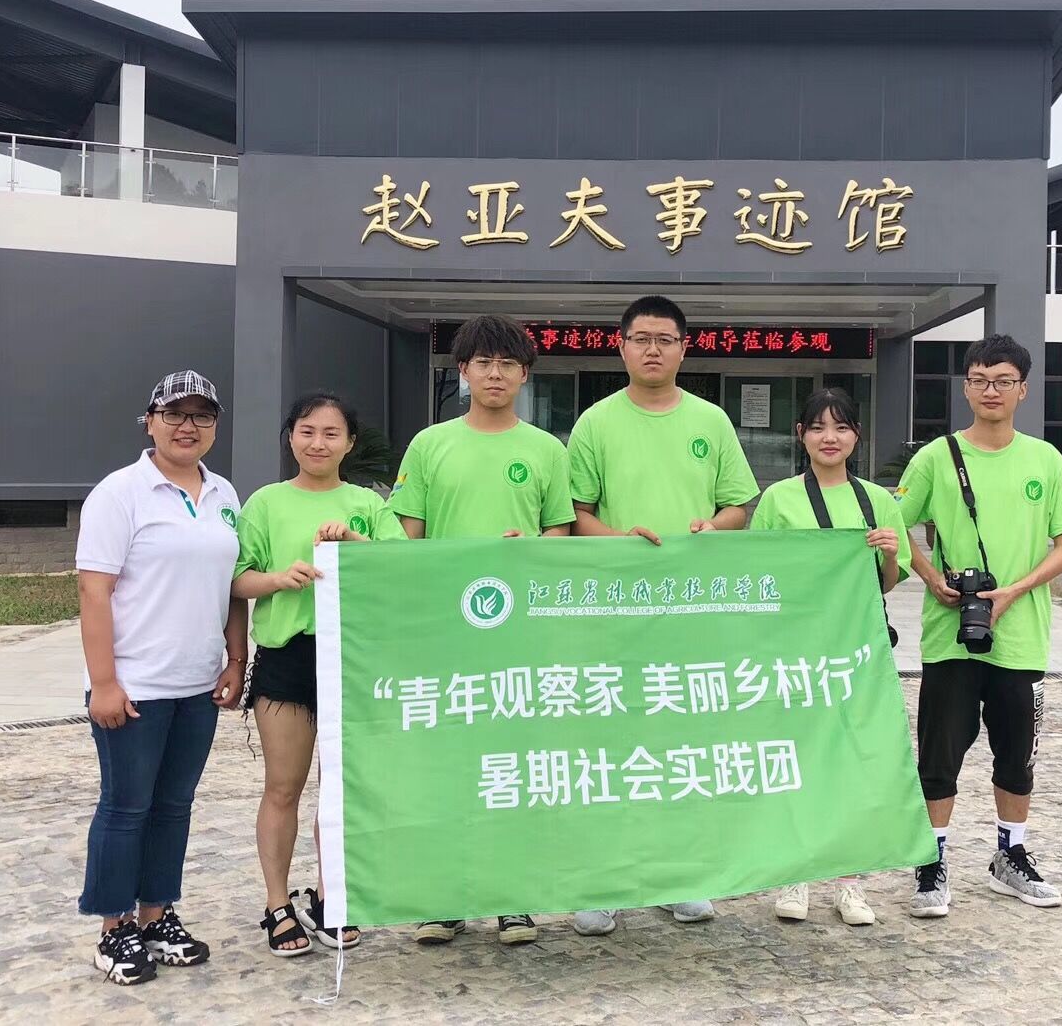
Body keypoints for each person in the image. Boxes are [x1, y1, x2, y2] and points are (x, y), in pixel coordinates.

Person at [566, 294, 760, 936]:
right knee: (610, 743)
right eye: (641, 338)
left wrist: (712, 526)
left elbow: (739, 506)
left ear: (684, 348)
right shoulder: (596, 422)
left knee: (683, 744)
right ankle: (603, 880)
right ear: (620, 345)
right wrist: (619, 542)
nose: (653, 349)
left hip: (691, 610)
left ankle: (680, 874)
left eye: (665, 339)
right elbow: (576, 514)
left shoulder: (711, 420)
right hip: (614, 611)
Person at [390, 314, 575, 948]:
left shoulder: (547, 450)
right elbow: (405, 537)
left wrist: (531, 553)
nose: (495, 374)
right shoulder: (429, 445)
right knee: (447, 765)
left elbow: (560, 534)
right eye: (483, 363)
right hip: (445, 633)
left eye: (508, 364)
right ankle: (445, 898)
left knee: (513, 765)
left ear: (525, 375)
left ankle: (512, 897)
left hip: (520, 635)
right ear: (463, 371)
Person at [892, 335, 1062, 918]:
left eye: (1003, 380)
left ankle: (1012, 855)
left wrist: (1015, 590)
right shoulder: (937, 457)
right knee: (939, 756)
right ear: (966, 387)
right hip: (950, 636)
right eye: (980, 380)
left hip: (1021, 637)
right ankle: (931, 863)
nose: (991, 391)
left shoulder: (1045, 460)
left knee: (1016, 755)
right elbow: (893, 524)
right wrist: (931, 576)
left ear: (1023, 389)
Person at [75, 370, 248, 986]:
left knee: (174, 806)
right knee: (127, 807)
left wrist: (235, 660)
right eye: (174, 414)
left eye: (202, 416)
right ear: (150, 421)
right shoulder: (120, 493)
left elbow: (232, 586)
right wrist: (104, 682)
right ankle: (114, 927)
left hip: (197, 683)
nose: (187, 426)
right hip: (136, 685)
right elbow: (94, 592)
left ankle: (156, 915)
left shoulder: (224, 493)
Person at [232, 392, 406, 957]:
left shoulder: (368, 503)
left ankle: (331, 897)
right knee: (283, 786)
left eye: (331, 433)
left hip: (353, 660)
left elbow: (401, 568)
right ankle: (276, 903)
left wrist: (354, 543)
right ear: (290, 438)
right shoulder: (265, 503)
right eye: (307, 431)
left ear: (350, 443)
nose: (318, 443)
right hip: (287, 659)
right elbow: (237, 577)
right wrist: (278, 580)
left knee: (339, 790)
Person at [749, 386, 911, 928]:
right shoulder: (779, 499)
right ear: (801, 435)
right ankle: (795, 873)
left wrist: (890, 555)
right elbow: (760, 576)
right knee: (797, 758)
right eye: (817, 427)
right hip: (796, 650)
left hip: (856, 655)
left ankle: (849, 882)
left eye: (840, 427)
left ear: (856, 436)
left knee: (853, 762)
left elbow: (886, 584)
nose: (829, 437)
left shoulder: (878, 501)